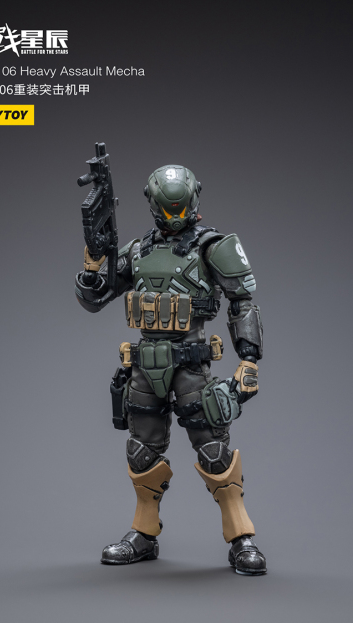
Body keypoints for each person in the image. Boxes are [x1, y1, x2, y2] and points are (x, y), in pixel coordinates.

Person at [75, 164, 266, 574]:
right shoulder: (138, 251)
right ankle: (144, 535)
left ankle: (241, 538)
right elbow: (96, 298)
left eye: (181, 208)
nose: (176, 216)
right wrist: (92, 266)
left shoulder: (212, 246)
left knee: (213, 448)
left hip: (191, 364)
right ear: (154, 205)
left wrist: (248, 359)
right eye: (168, 209)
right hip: (146, 366)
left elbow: (242, 302)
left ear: (193, 201)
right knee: (141, 450)